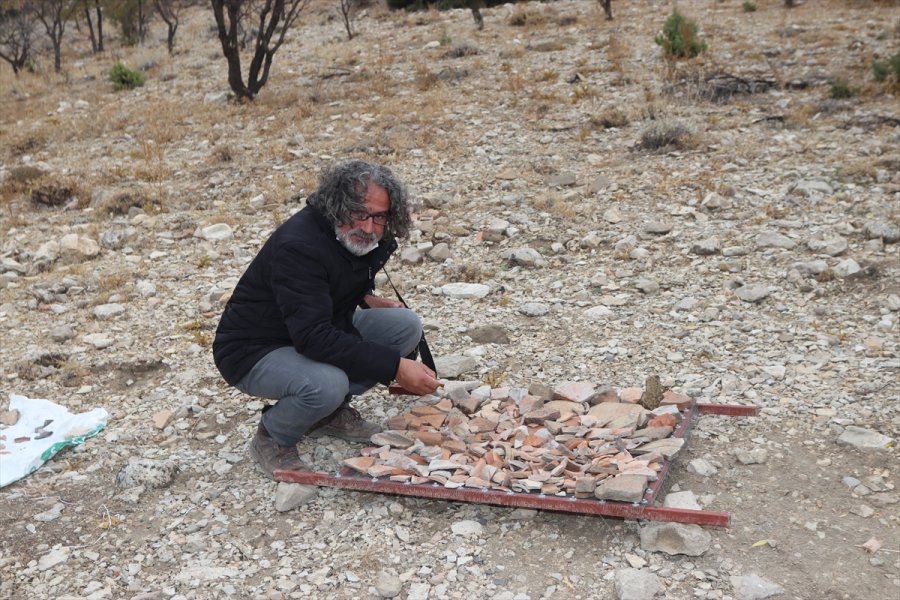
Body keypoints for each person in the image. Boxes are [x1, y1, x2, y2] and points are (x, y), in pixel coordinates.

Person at [213, 160, 441, 478]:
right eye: (359, 213)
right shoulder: (299, 246)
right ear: (337, 205)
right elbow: (314, 338)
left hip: (312, 326)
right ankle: (274, 436)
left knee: (404, 326)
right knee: (326, 384)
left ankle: (328, 414)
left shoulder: (361, 234)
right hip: (254, 349)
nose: (369, 227)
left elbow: (336, 277)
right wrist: (395, 367)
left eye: (379, 216)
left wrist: (365, 297)